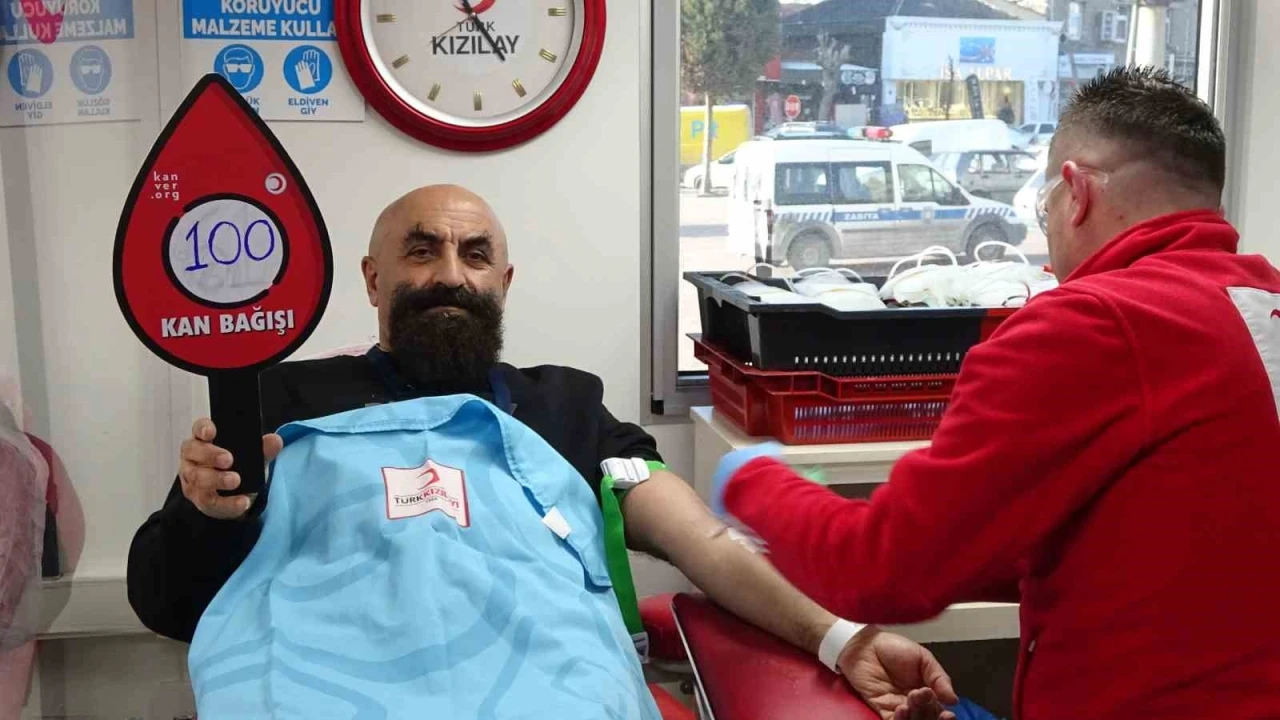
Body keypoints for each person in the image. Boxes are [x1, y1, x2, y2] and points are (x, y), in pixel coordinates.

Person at [127, 184, 958, 719]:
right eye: (421, 250)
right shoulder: (280, 399)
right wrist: (208, 512)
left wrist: (838, 638)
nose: (451, 275)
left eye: (474, 255)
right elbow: (168, 601)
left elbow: (702, 541)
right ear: (373, 279)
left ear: (503, 282)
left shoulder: (564, 405)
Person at [711, 67, 1280, 720]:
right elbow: (1173, 542)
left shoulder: (1093, 324)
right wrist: (969, 545)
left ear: (1076, 193)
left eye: (1045, 211)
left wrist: (748, 481)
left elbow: (880, 570)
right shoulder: (1260, 307)